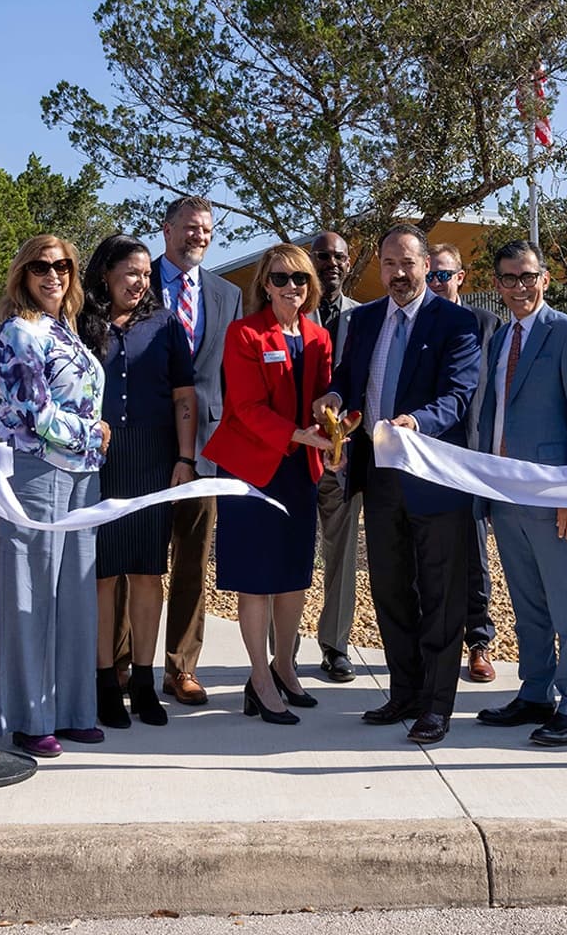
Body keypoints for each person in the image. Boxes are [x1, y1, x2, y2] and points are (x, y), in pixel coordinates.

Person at [315, 224, 481, 745]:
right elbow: (346, 377)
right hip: (379, 478)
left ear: (426, 266)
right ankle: (404, 692)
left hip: (433, 479)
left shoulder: (456, 321)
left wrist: (417, 423)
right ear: (379, 268)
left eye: (408, 263)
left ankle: (436, 704)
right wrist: (334, 401)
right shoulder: (361, 321)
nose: (399, 274)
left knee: (439, 594)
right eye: (389, 264)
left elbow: (458, 394)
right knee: (390, 590)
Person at [471, 242, 567, 747]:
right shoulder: (499, 338)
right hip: (505, 494)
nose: (519, 286)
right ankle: (534, 693)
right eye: (508, 278)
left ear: (544, 279)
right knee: (528, 605)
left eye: (528, 276)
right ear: (498, 284)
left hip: (554, 497)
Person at [0, 235, 110, 758]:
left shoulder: (67, 332)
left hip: (82, 475)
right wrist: (93, 433)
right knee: (31, 593)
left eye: (62, 266)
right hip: (37, 473)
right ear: (23, 273)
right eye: (41, 265)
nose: (53, 274)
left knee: (75, 595)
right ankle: (30, 718)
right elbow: (33, 409)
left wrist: (92, 440)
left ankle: (74, 709)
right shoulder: (19, 330)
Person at [202, 245, 334, 725]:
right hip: (252, 468)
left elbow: (322, 402)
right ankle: (259, 678)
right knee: (258, 578)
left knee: (294, 575)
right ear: (265, 283)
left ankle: (284, 665)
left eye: (300, 278)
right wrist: (297, 435)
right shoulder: (245, 333)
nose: (291, 287)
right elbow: (245, 406)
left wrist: (330, 437)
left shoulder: (319, 336)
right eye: (280, 278)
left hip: (299, 469)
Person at [78, 234, 196, 731]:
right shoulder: (80, 323)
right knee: (102, 574)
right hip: (97, 458)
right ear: (105, 272)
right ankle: (106, 680)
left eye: (146, 273)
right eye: (131, 272)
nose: (141, 281)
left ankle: (145, 680)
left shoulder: (165, 323)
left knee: (149, 573)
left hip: (154, 457)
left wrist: (185, 457)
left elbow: (185, 395)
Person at [151, 195, 243, 706]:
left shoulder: (227, 294)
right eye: (189, 228)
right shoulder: (138, 283)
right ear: (166, 230)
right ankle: (123, 666)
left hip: (205, 451)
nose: (198, 237)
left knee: (191, 562)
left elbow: (230, 376)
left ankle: (181, 667)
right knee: (136, 558)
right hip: (145, 442)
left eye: (206, 230)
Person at [427, 243, 499, 684]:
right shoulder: (413, 323)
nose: (436, 282)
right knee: (427, 556)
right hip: (425, 456)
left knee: (474, 553)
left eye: (444, 274)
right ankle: (433, 643)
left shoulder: (485, 324)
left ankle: (479, 642)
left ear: (461, 277)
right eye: (430, 275)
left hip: (470, 454)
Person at [307, 230, 362, 683]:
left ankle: (335, 646)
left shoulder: (365, 321)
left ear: (350, 262)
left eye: (338, 257)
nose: (331, 263)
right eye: (322, 256)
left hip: (344, 458)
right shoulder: (286, 316)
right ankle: (278, 651)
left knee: (341, 555)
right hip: (295, 452)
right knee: (286, 552)